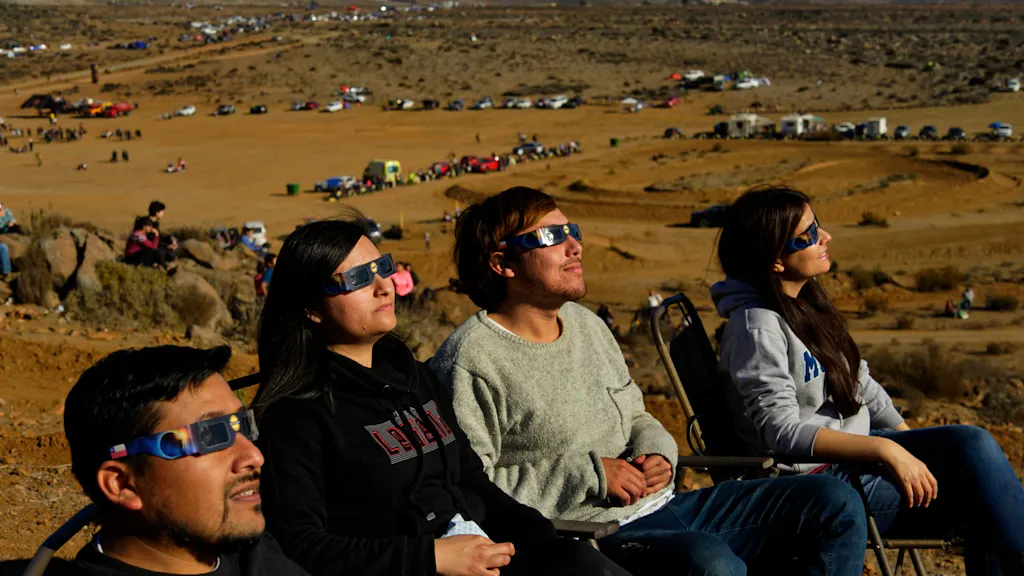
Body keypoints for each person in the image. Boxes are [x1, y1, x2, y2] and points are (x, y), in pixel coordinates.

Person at [431, 186, 869, 576]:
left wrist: (656, 451)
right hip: (590, 535)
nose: (575, 246)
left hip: (665, 505)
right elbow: (471, 488)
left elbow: (636, 415)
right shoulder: (471, 360)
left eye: (572, 231)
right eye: (551, 237)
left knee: (833, 501)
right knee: (710, 561)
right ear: (501, 263)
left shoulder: (585, 324)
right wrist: (589, 475)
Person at [253, 219, 631, 576]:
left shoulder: (415, 378)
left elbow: (470, 479)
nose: (384, 286)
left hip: (485, 554)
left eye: (382, 268)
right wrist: (430, 557)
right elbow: (299, 545)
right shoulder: (296, 413)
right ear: (311, 308)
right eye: (356, 279)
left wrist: (542, 539)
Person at [713, 185, 1024, 576]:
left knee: (972, 444)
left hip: (855, 456)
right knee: (980, 495)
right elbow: (780, 431)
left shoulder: (806, 303)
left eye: (818, 226)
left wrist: (909, 443)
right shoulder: (757, 329)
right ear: (775, 260)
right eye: (808, 235)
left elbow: (859, 382)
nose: (825, 237)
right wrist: (886, 449)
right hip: (818, 480)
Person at [63, 345, 309, 576]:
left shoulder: (250, 552)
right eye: (209, 436)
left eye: (241, 425)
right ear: (122, 484)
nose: (255, 456)